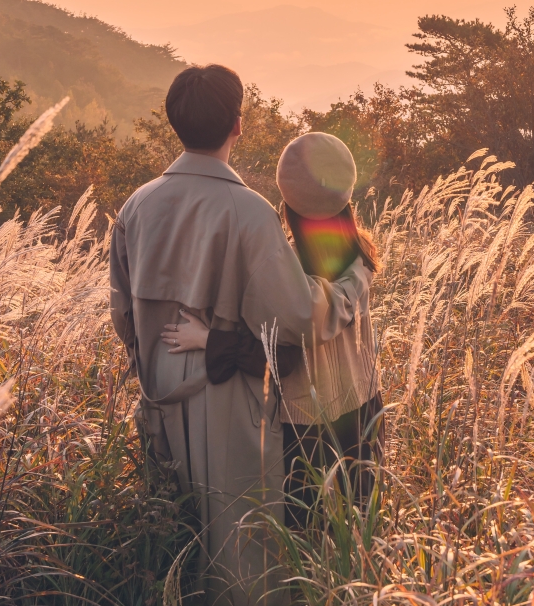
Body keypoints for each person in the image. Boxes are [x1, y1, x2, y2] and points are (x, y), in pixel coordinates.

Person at [109, 67, 371, 606]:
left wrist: (154, 364)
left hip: (159, 396)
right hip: (229, 399)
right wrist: (351, 285)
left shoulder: (136, 206)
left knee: (174, 528)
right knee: (240, 549)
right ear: (238, 126)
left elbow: (123, 314)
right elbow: (297, 318)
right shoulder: (249, 212)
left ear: (174, 123)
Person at [164, 132, 382, 529]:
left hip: (307, 425)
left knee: (310, 536)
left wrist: (208, 339)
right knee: (360, 525)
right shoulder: (361, 254)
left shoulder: (285, 270)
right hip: (366, 409)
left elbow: (278, 354)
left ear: (287, 205)